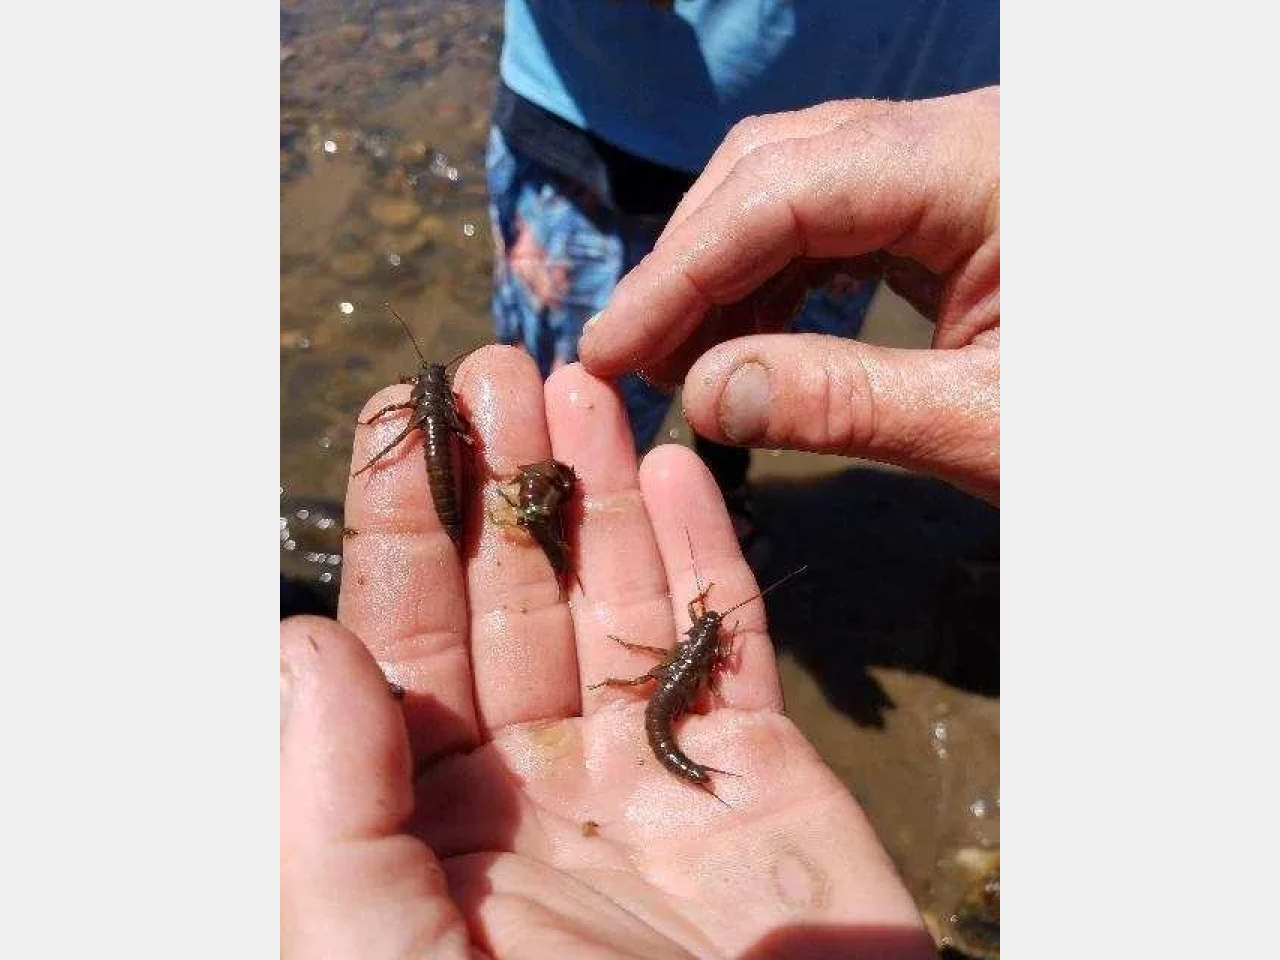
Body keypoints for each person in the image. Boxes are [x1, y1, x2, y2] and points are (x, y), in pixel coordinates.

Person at [282, 89, 999, 957]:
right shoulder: (463, 428)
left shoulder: (688, 662)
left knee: (607, 428)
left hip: (660, 686)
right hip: (595, 140)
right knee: (581, 401)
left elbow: (680, 667)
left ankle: (706, 503)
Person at [486, 0, 999, 554]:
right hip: (603, 116)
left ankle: (720, 488)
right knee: (567, 401)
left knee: (754, 374)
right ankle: (566, 526)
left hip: (908, 151)